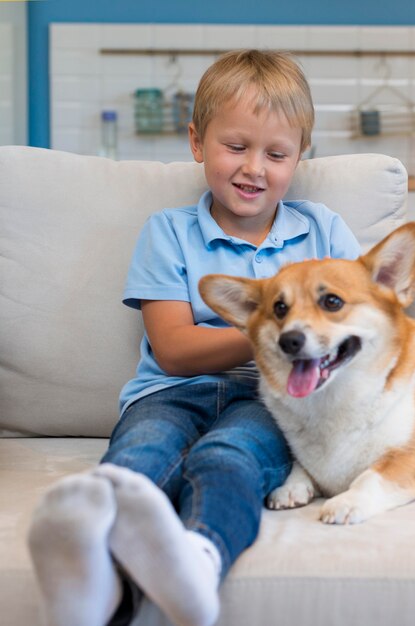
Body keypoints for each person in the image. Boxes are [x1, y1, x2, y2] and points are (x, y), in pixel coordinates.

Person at [27, 49, 361, 626]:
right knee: (144, 451)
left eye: (276, 154)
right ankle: (89, 566)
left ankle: (199, 562)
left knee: (228, 457)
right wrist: (274, 331)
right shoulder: (169, 233)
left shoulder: (323, 230)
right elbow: (175, 351)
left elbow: (356, 330)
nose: (254, 168)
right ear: (196, 143)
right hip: (168, 392)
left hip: (275, 401)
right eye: (236, 147)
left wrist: (284, 342)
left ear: (299, 157)